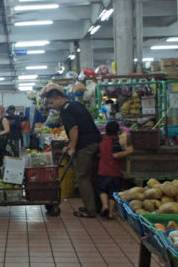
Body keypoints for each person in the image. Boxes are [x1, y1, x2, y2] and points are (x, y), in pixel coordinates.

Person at [43, 86, 102, 218]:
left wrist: (73, 147)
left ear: (58, 98)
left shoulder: (65, 109)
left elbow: (74, 129)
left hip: (85, 146)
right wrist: (71, 144)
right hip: (95, 142)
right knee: (92, 177)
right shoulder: (75, 105)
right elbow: (81, 126)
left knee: (82, 177)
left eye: (51, 103)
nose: (51, 106)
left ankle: (90, 210)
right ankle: (96, 206)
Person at [98, 121, 134, 219]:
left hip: (103, 171)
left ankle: (105, 205)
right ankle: (110, 212)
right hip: (114, 172)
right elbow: (116, 155)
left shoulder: (102, 142)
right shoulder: (114, 143)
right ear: (117, 132)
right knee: (113, 192)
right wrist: (128, 151)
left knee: (102, 190)